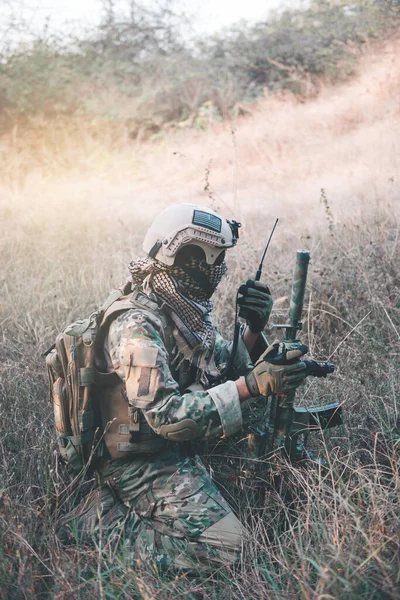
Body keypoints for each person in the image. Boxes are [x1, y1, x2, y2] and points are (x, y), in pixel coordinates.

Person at [58, 203, 307, 572]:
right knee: (230, 548)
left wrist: (253, 331)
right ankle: (97, 523)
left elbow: (219, 367)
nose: (219, 270)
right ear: (191, 258)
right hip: (136, 461)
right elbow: (165, 415)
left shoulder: (183, 308)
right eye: (214, 259)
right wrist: (250, 387)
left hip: (177, 444)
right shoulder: (136, 326)